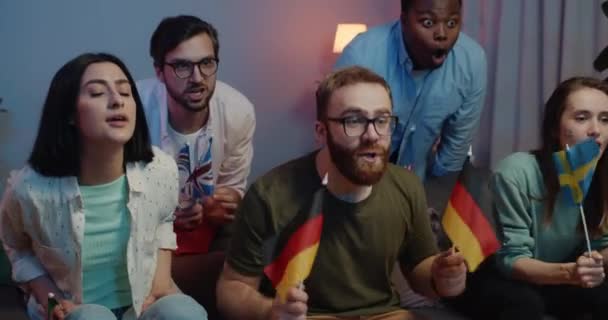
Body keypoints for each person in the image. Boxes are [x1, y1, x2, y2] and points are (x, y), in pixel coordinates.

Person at [216, 66, 467, 320]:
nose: (372, 135)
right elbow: (232, 289)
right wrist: (270, 311)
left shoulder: (407, 186)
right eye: (354, 121)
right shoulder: (269, 195)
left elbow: (419, 269)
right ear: (321, 132)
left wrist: (440, 276)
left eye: (381, 120)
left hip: (383, 315)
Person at [0, 53, 206, 320]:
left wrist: (162, 283)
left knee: (184, 312)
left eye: (125, 91)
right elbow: (17, 247)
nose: (117, 100)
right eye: (97, 93)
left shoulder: (159, 169)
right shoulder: (29, 188)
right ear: (69, 114)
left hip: (142, 305)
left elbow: (164, 219)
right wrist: (50, 301)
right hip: (74, 308)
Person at [451, 77, 608, 320]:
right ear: (555, 128)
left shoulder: (601, 177)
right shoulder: (517, 171)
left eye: (605, 119)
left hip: (557, 277)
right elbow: (512, 260)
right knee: (524, 305)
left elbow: (598, 246)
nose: (596, 129)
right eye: (581, 118)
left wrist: (595, 262)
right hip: (503, 275)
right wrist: (570, 273)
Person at [136, 15, 255, 313]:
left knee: (254, 236)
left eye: (207, 63)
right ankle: (166, 286)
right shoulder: (133, 107)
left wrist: (223, 203)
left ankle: (164, 287)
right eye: (182, 66)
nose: (198, 77)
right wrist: (166, 215)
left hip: (207, 228)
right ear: (159, 72)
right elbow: (113, 189)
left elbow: (234, 185)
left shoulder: (237, 110)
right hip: (142, 228)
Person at [335, 0, 487, 180]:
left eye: (452, 23)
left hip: (416, 187)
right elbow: (337, 139)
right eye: (428, 23)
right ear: (404, 20)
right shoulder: (361, 56)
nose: (442, 34)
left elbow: (452, 156)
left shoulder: (471, 63)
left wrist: (429, 203)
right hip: (354, 181)